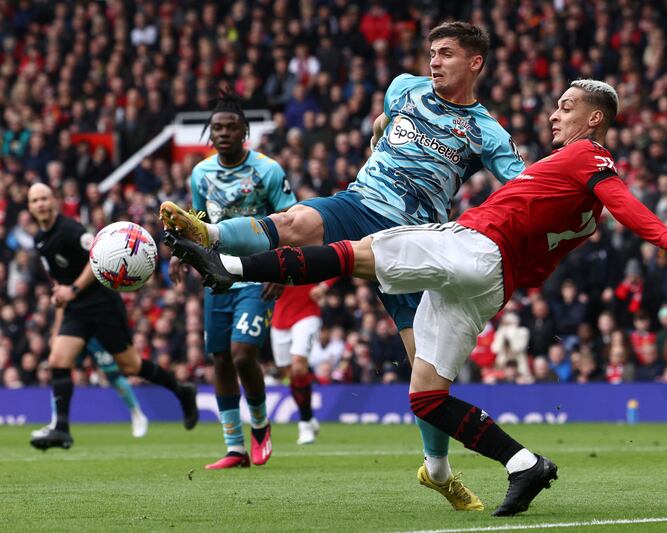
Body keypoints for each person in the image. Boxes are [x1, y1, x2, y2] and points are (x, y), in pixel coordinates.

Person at [166, 79, 667, 516]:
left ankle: (227, 266)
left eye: (567, 107)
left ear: (594, 118)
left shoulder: (587, 156)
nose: (555, 115)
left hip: (474, 248)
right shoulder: (577, 199)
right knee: (427, 395)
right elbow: (593, 207)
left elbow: (617, 194)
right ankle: (524, 463)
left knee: (353, 253)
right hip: (489, 286)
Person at [162, 21, 525, 510]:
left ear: (475, 63)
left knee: (428, 372)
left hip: (413, 243)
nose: (434, 61)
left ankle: (437, 471)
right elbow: (383, 123)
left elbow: (524, 187)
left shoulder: (486, 131)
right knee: (298, 222)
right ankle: (210, 235)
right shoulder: (405, 88)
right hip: (358, 204)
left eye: (446, 54)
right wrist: (379, 139)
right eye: (432, 53)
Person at [169, 89, 297, 469]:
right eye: (218, 128)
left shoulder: (268, 170)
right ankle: (234, 448)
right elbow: (199, 223)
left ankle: (259, 426)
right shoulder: (201, 173)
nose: (224, 133)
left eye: (232, 127)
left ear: (245, 133)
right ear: (210, 134)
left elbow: (291, 221)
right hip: (217, 275)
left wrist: (283, 268)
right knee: (220, 358)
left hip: (257, 273)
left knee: (244, 355)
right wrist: (182, 252)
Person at [27, 183, 197, 451]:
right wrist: (62, 298)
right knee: (58, 361)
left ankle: (181, 390)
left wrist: (71, 290)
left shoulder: (69, 229)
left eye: (44, 199)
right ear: (30, 206)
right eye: (35, 200)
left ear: (54, 201)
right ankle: (60, 429)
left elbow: (95, 261)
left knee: (130, 366)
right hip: (76, 309)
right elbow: (62, 280)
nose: (41, 204)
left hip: (102, 303)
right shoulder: (40, 238)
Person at [270, 282, 331, 444]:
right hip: (280, 318)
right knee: (290, 375)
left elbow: (339, 256)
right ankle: (309, 417)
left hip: (307, 312)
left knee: (299, 367)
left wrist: (324, 285)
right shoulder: (268, 254)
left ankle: (304, 425)